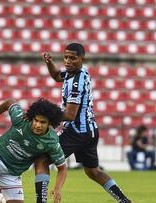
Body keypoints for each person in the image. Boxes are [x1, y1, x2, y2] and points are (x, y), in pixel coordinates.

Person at [31, 43, 132, 203]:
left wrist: (46, 115)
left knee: (42, 160)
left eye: (72, 58)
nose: (67, 61)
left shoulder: (77, 81)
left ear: (81, 59)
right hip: (90, 131)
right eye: (65, 57)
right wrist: (49, 63)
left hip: (77, 132)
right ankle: (124, 201)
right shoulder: (75, 73)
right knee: (93, 172)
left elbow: (70, 115)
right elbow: (57, 76)